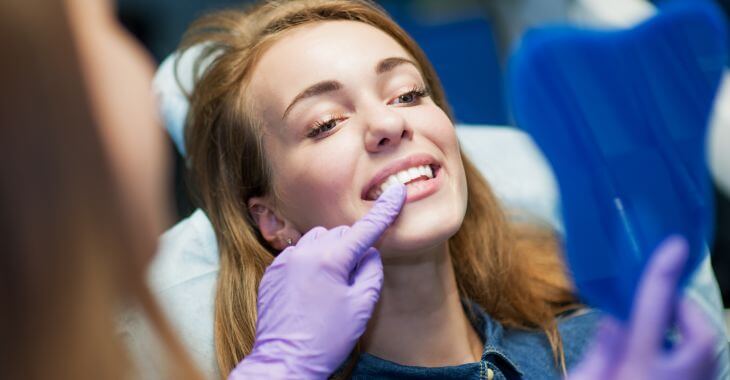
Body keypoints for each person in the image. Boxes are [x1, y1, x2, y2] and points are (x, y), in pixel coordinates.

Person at [165, 0, 724, 378]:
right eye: (325, 123)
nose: (390, 124)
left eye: (406, 93)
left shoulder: (606, 348)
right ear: (272, 220)